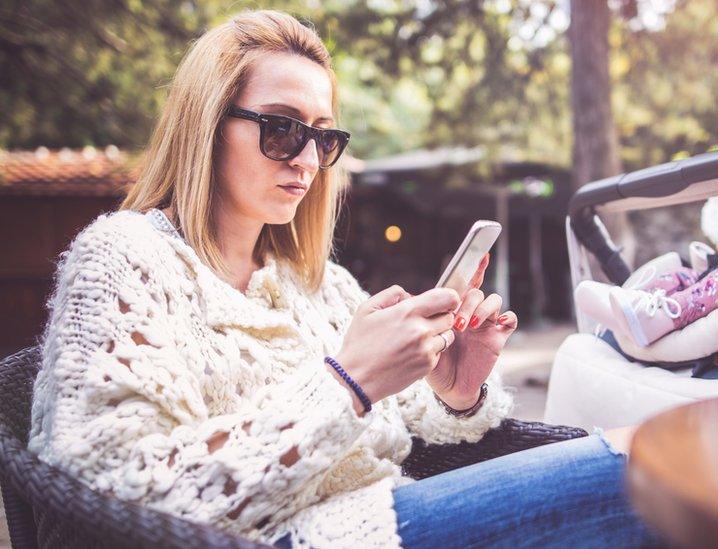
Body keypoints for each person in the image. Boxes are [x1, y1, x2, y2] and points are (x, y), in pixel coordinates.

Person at [27, 10, 660, 548]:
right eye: (281, 128)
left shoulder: (315, 283)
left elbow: (418, 424)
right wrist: (345, 385)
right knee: (647, 475)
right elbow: (114, 497)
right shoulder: (125, 257)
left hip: (396, 509)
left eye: (323, 138)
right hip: (322, 535)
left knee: (644, 453)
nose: (307, 159)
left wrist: (453, 388)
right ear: (206, 127)